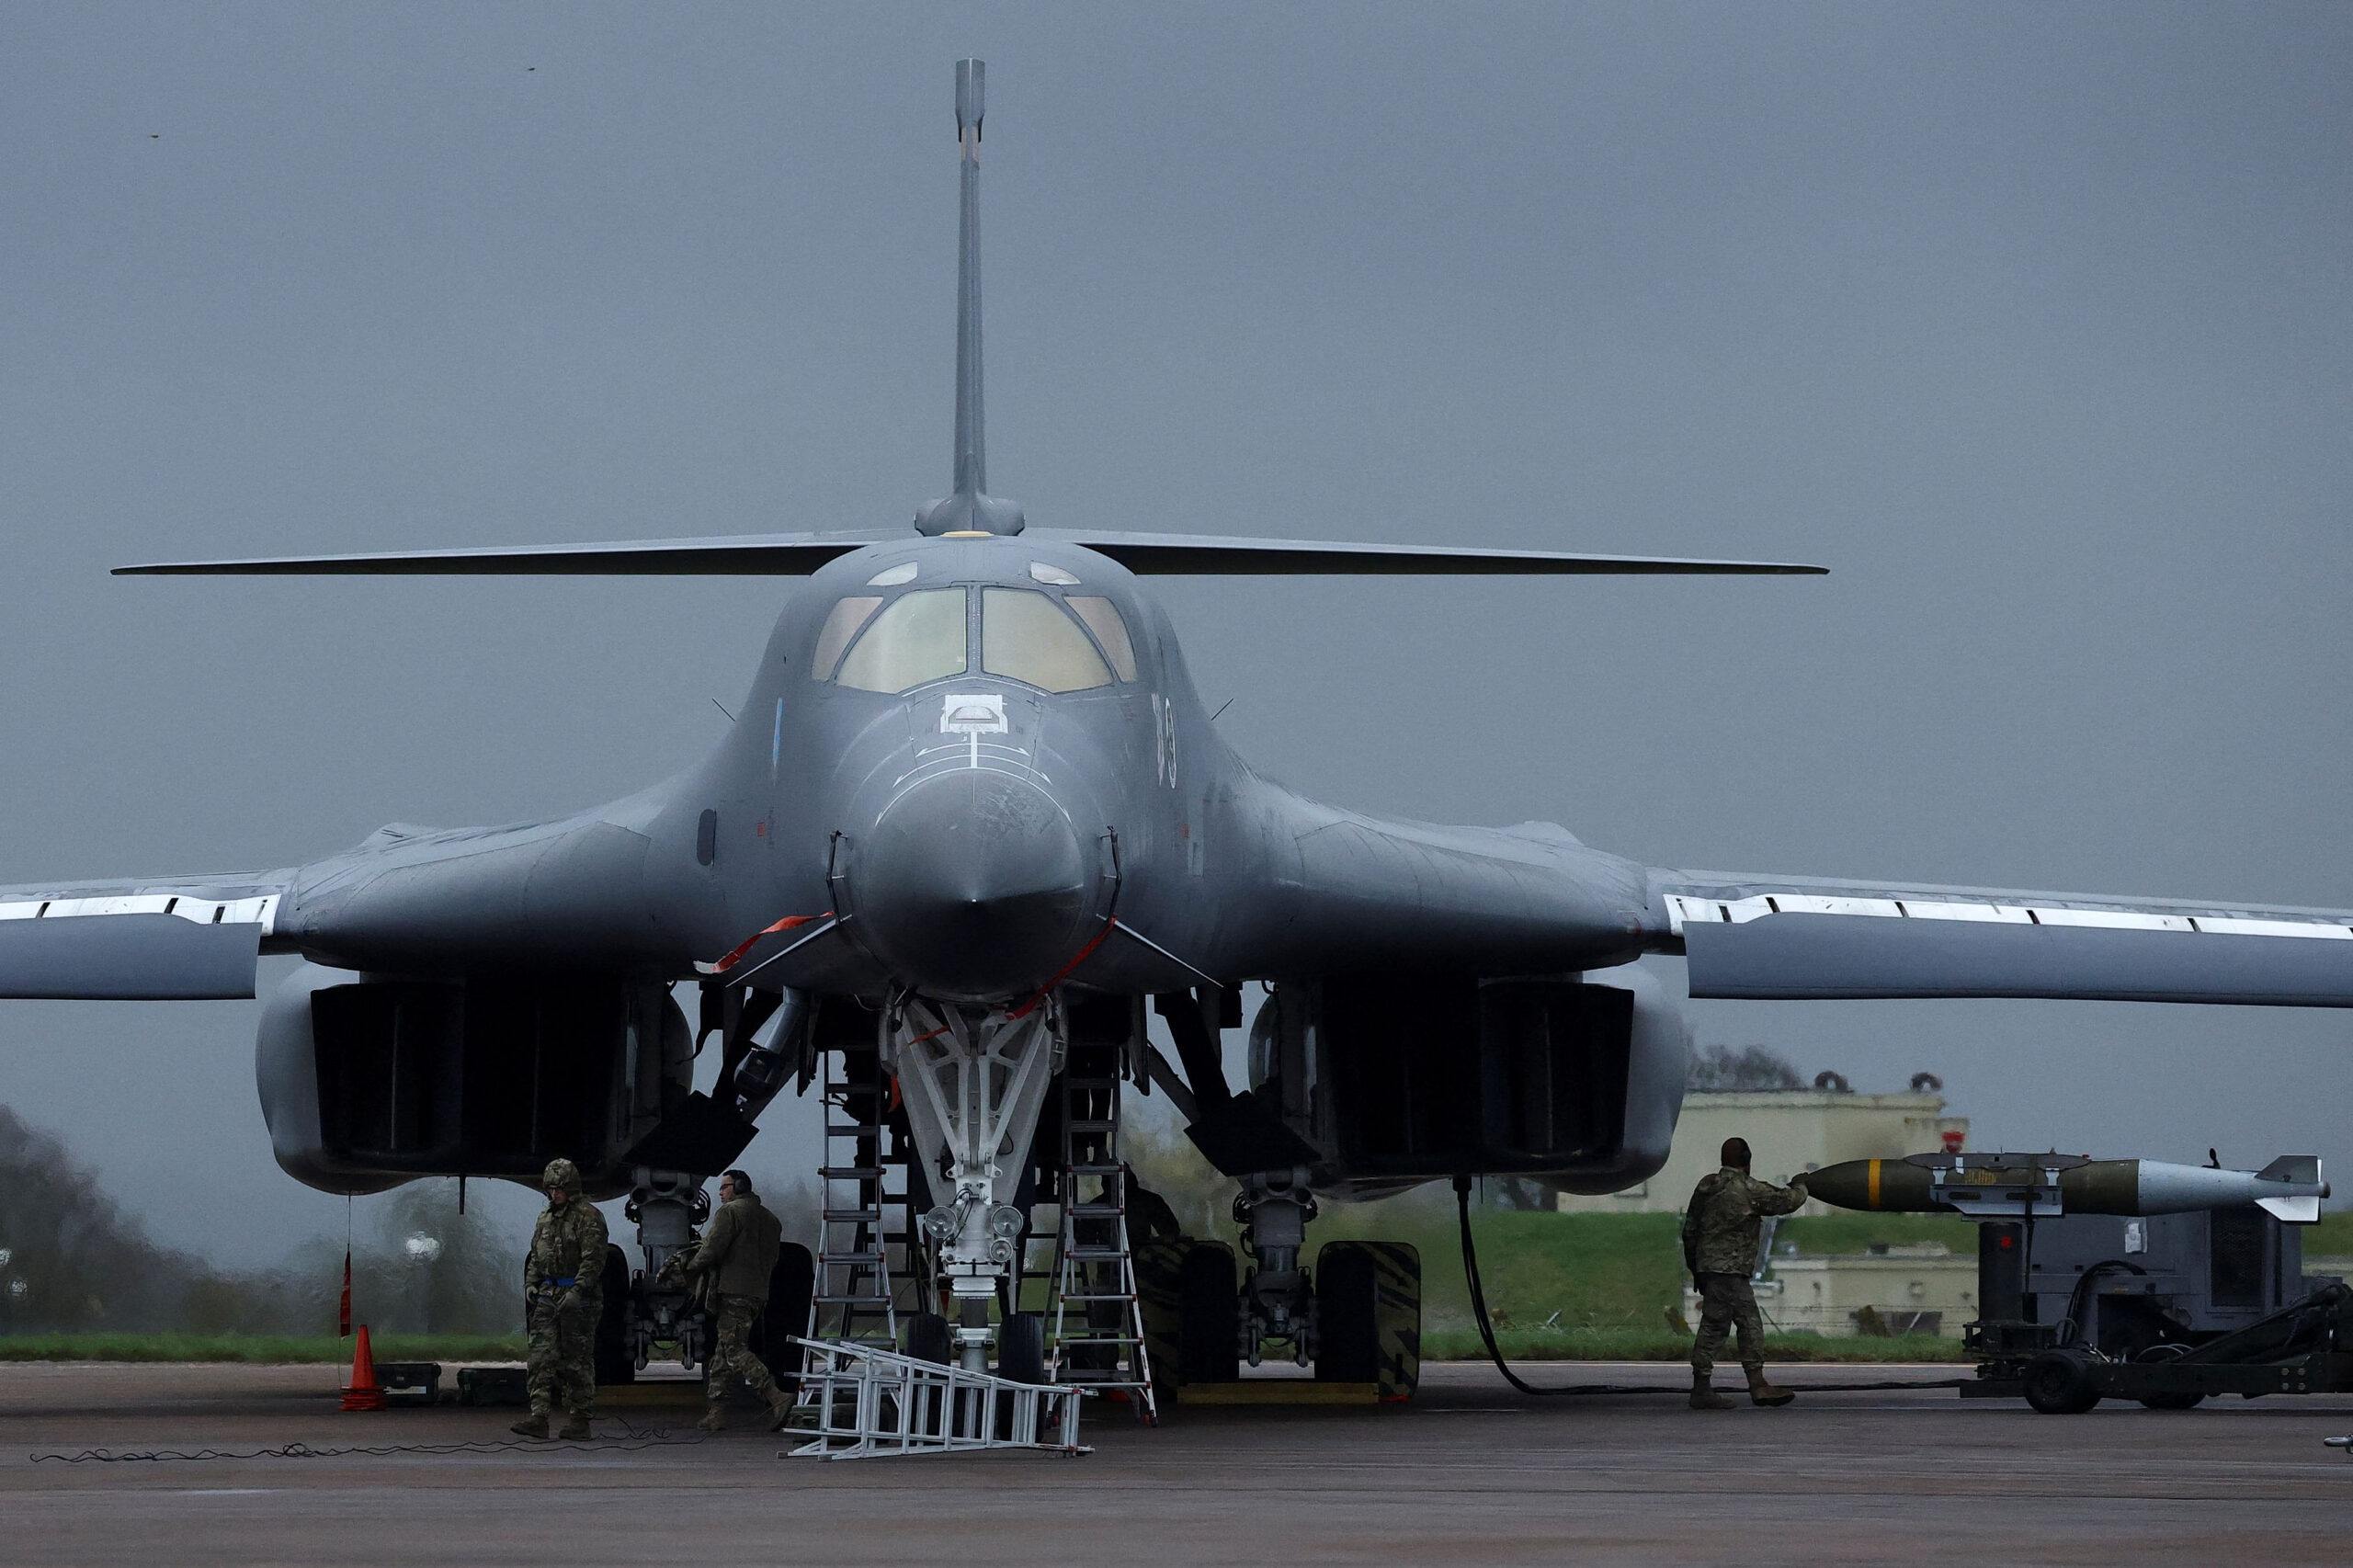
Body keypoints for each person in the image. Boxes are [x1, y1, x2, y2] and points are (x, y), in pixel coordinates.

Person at [1681, 1136, 1808, 1411]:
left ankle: (1707, 1387)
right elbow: (1786, 1202)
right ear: (1747, 1159)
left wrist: (1696, 1269)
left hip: (1709, 1269)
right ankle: (1754, 1385)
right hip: (1732, 1271)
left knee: (1716, 1325)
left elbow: (1690, 1229)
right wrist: (1802, 1185)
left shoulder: (1706, 1186)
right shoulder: (1748, 1189)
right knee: (1747, 1324)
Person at [684, 1168, 790, 1433]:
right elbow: (773, 1259)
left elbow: (712, 1250)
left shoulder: (730, 1213)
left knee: (733, 1348)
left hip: (733, 1291)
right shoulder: (771, 1220)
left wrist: (689, 1268)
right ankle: (716, 1411)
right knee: (722, 1352)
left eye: (725, 1186)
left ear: (739, 1187)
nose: (720, 1192)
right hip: (758, 1292)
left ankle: (776, 1395)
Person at [513, 1156, 609, 1440]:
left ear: (572, 1188)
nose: (555, 1194)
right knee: (540, 1356)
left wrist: (578, 1291)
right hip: (548, 1294)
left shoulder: (588, 1217)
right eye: (551, 1188)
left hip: (578, 1297)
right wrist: (532, 1283)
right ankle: (538, 1416)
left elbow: (593, 1261)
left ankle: (580, 1419)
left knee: (576, 1360)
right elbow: (536, 1253)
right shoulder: (545, 1217)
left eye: (560, 1188)